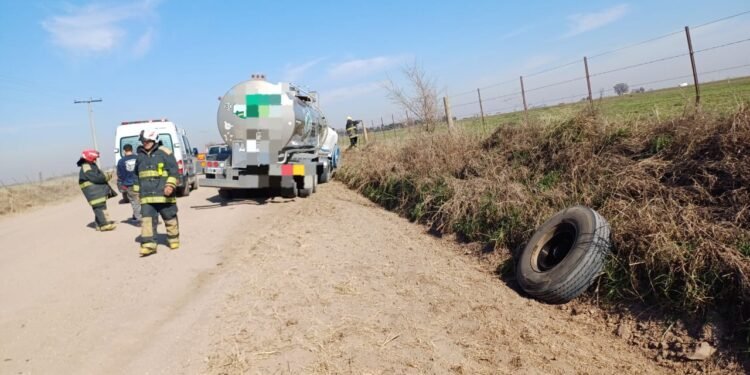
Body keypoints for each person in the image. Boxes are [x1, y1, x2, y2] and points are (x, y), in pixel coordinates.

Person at [134, 129, 181, 256]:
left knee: (170, 217)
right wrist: (137, 192)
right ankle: (149, 245)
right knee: (147, 220)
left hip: (164, 194)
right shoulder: (140, 156)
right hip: (147, 197)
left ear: (154, 140)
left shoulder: (165, 153)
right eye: (143, 141)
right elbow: (136, 175)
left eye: (147, 141)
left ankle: (173, 239)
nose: (145, 143)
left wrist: (170, 185)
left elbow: (174, 172)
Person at [77, 149, 117, 231]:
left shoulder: (89, 165)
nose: (95, 160)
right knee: (100, 207)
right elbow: (96, 178)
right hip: (94, 192)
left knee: (98, 207)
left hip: (95, 192)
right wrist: (106, 177)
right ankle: (105, 225)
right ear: (90, 157)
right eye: (94, 158)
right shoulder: (86, 166)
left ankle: (99, 224)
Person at [117, 144, 141, 224]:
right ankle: (147, 217)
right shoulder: (138, 158)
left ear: (124, 151)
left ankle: (139, 219)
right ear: (132, 149)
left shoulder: (121, 161)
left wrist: (123, 184)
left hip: (129, 185)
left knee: (135, 202)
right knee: (143, 200)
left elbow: (120, 175)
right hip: (141, 183)